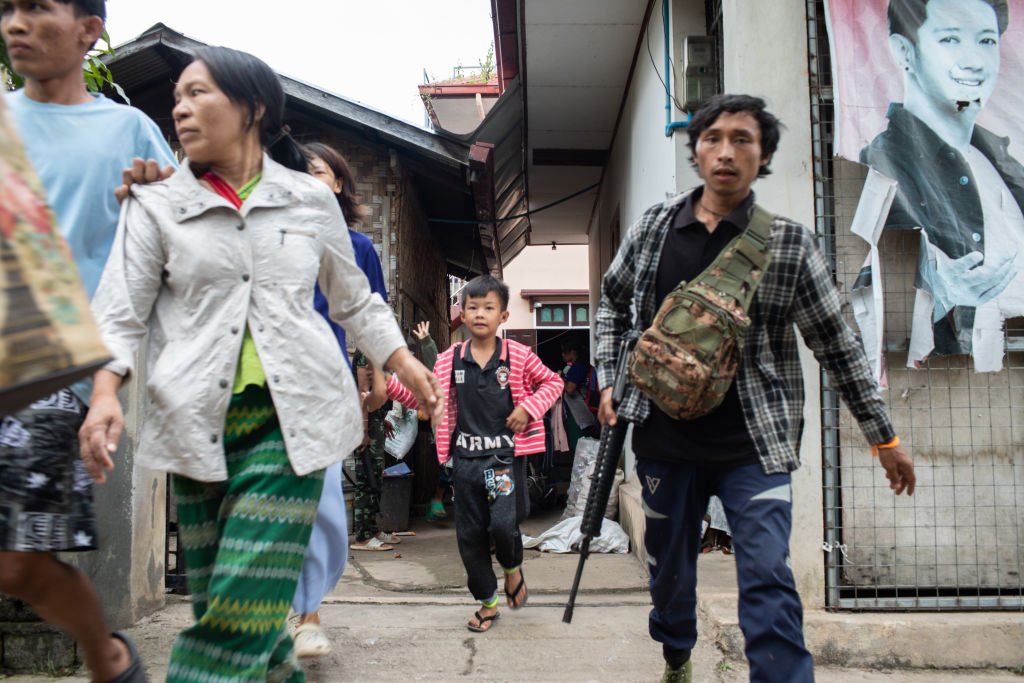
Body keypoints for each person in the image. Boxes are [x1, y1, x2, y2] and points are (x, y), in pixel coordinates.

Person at [79, 46, 440, 683]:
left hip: (290, 422)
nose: (181, 109)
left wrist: (401, 359)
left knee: (236, 612)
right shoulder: (157, 203)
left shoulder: (308, 199)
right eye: (177, 99)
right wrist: (106, 390)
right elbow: (121, 308)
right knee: (232, 601)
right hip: (194, 423)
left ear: (253, 108)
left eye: (199, 94)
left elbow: (354, 297)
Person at [595, 94, 916, 683]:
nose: (726, 151)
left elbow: (838, 344)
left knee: (768, 577)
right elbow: (612, 307)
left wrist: (883, 436)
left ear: (762, 155)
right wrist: (608, 378)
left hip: (755, 448)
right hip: (665, 442)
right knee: (670, 575)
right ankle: (676, 650)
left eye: (743, 139)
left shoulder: (789, 245)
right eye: (713, 137)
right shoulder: (653, 230)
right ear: (695, 149)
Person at [0, 1, 175, 681]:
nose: (15, 23)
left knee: (18, 562)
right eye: (8, 7)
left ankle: (107, 656)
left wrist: (111, 385)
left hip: (51, 372)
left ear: (87, 30)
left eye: (36, 8)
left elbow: (164, 257)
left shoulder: (128, 131)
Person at [387, 274, 563, 632]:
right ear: (462, 315)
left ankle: (512, 570)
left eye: (489, 307)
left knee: (502, 524)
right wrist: (385, 384)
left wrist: (529, 408)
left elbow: (553, 382)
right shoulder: (450, 360)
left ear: (503, 317)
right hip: (465, 463)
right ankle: (487, 601)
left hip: (502, 461)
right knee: (469, 536)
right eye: (472, 307)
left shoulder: (518, 356)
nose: (480, 313)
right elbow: (427, 398)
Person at [860, 0, 1023, 365]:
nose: (974, 61)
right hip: (956, 363)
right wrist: (943, 293)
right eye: (950, 40)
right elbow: (869, 291)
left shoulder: (1003, 159)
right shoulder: (883, 160)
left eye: (986, 41)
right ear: (905, 51)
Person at [288, 141, 390, 658]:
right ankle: (296, 613)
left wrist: (376, 380)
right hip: (265, 385)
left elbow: (370, 316)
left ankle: (309, 611)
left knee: (324, 502)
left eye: (318, 171)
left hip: (326, 384)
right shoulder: (271, 238)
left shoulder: (358, 247)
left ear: (337, 184)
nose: (307, 178)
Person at [349, 349, 397, 551]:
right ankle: (362, 537)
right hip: (364, 424)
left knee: (375, 477)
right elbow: (362, 391)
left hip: (374, 420)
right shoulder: (364, 351)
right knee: (365, 478)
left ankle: (373, 529)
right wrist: (364, 429)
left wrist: (381, 419)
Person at [558, 338, 599, 456]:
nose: (562, 355)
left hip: (581, 414)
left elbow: (570, 389)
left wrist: (559, 378)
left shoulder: (578, 368)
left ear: (573, 353)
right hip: (582, 414)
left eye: (565, 352)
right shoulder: (583, 366)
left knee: (582, 448)